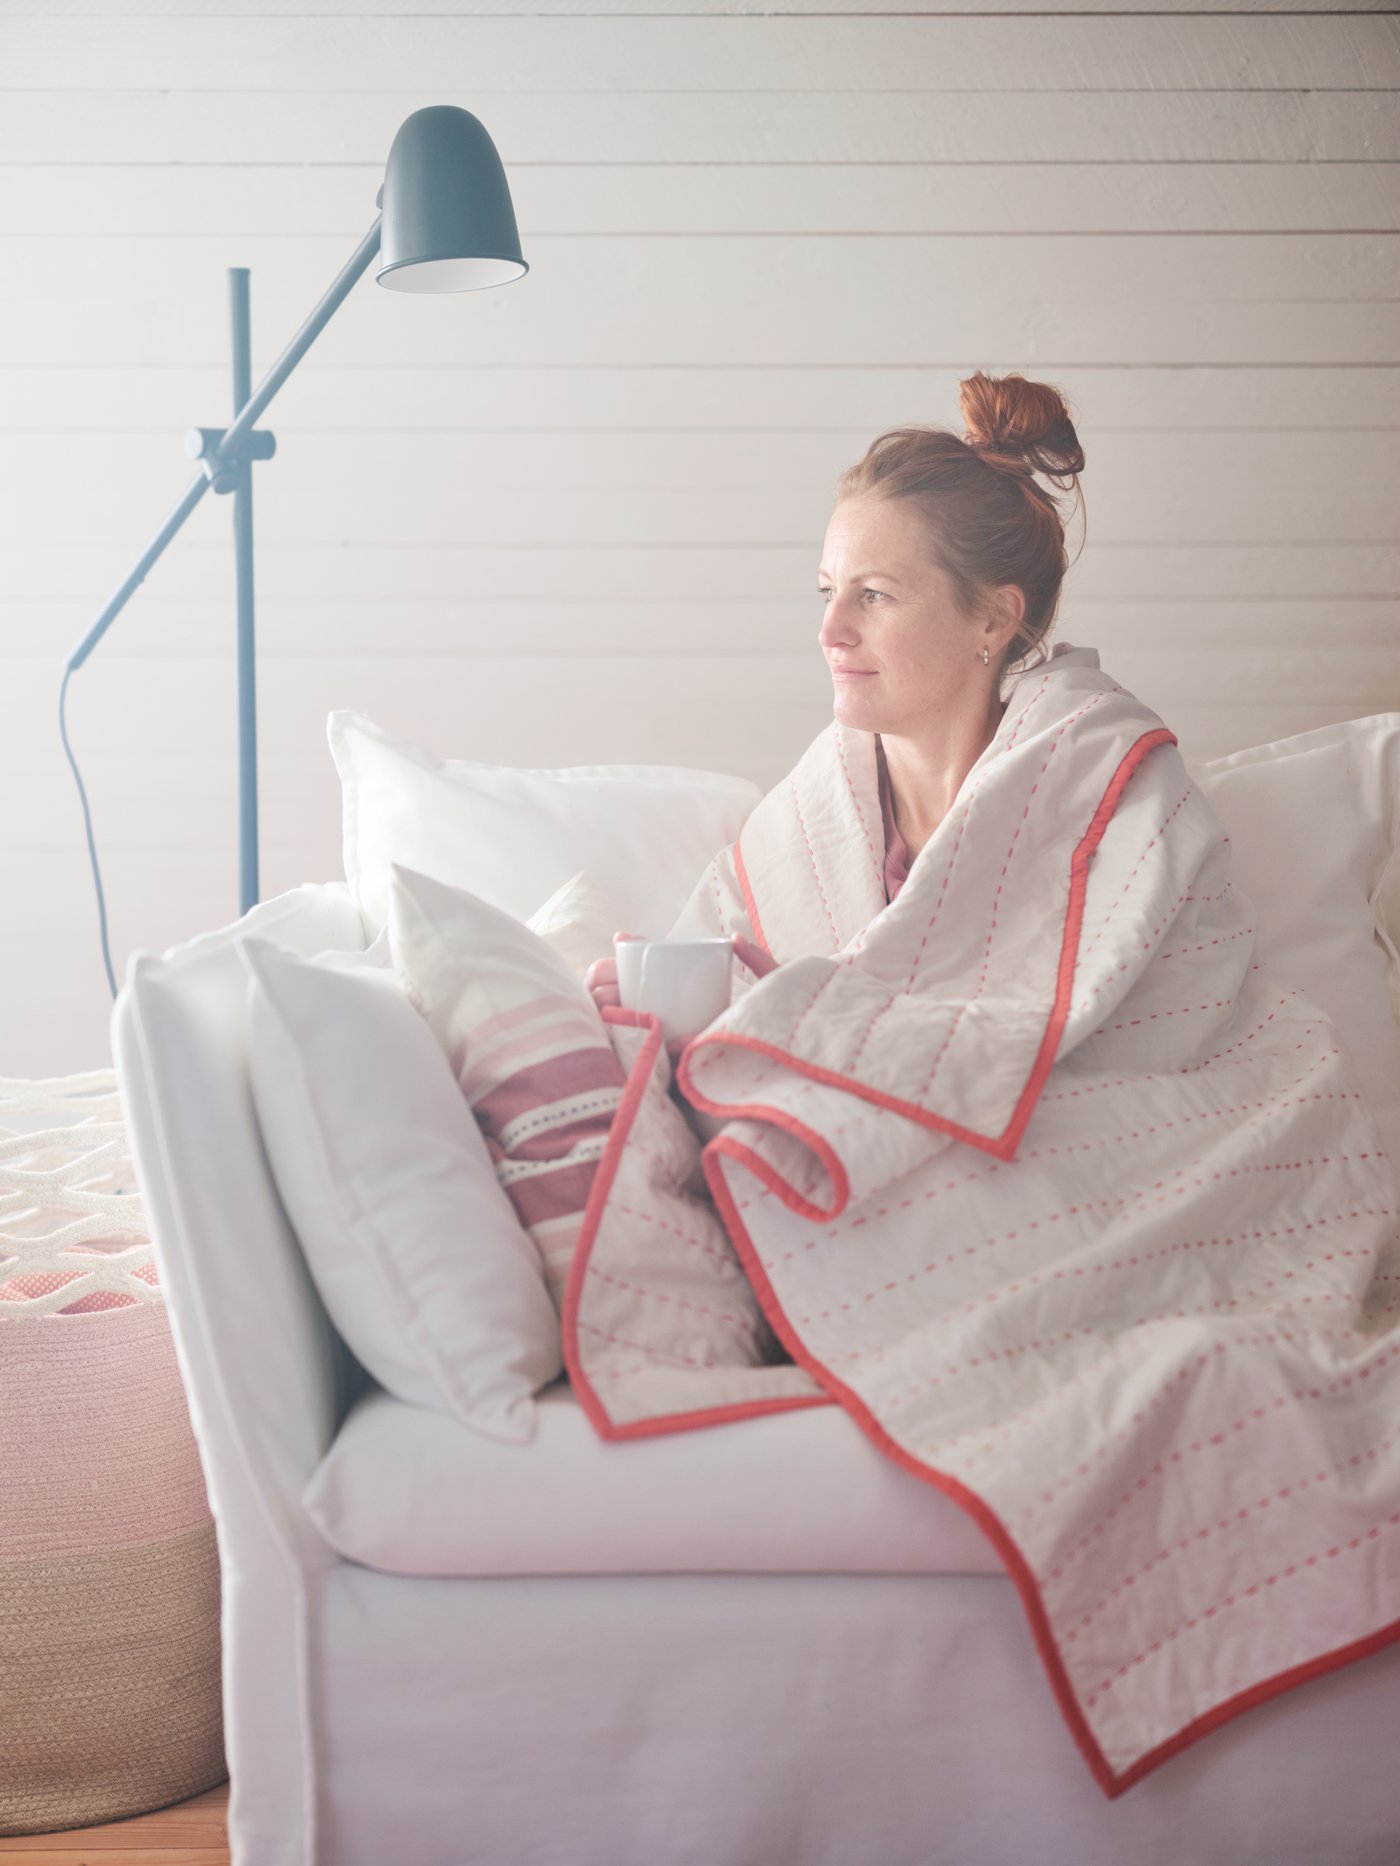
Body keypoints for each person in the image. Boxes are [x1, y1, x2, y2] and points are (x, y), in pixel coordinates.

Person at [584, 367, 1085, 1021]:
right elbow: (731, 1004)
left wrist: (810, 1014)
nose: (830, 632)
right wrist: (656, 1006)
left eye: (873, 594)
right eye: (829, 592)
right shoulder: (797, 828)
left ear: (993, 618)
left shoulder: (1100, 797)